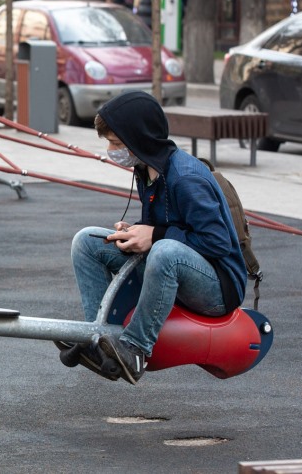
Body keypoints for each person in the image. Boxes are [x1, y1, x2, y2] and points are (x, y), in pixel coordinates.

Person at [68, 92, 246, 385]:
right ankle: (99, 338)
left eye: (116, 143)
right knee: (87, 241)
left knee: (165, 251)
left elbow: (217, 242)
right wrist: (137, 229)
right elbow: (166, 225)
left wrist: (155, 235)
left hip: (217, 287)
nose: (112, 150)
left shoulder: (186, 178)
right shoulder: (146, 169)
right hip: (175, 264)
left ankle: (135, 349)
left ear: (140, 139)